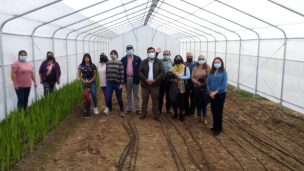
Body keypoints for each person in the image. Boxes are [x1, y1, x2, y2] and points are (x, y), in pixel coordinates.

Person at [138, 47, 165, 121]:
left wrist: (155, 80)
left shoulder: (159, 62)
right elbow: (140, 71)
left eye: (152, 52)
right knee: (144, 101)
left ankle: (156, 115)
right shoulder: (143, 62)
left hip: (155, 85)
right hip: (145, 85)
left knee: (155, 101)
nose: (151, 53)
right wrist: (145, 79)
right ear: (147, 53)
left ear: (154, 52)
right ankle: (143, 114)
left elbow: (162, 72)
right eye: (149, 52)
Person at [208, 57, 228, 136]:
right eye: (215, 62)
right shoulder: (211, 71)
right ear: (213, 63)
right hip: (212, 94)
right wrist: (209, 92)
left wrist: (215, 92)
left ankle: (218, 128)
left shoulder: (224, 72)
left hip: (220, 94)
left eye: (218, 62)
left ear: (221, 63)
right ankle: (214, 126)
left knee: (218, 111)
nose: (217, 63)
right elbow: (208, 82)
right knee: (213, 109)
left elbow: (224, 84)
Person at [121, 45, 141, 114]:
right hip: (127, 79)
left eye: (131, 49)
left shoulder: (137, 58)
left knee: (136, 94)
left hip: (135, 78)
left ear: (133, 49)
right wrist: (122, 80)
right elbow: (121, 70)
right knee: (128, 94)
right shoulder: (123, 59)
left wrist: (139, 78)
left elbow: (140, 70)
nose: (129, 50)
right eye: (128, 49)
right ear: (126, 51)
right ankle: (129, 108)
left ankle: (137, 108)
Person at [169, 55, 190, 121]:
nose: (178, 60)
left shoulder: (185, 67)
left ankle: (181, 114)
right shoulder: (172, 68)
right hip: (173, 85)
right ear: (174, 60)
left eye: (179, 59)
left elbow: (188, 76)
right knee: (173, 100)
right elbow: (169, 76)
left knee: (181, 100)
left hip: (182, 85)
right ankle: (175, 113)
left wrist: (180, 77)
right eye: (176, 59)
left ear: (181, 60)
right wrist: (172, 79)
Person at [105, 50, 125, 117]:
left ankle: (122, 110)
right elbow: (106, 72)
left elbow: (122, 73)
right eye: (111, 54)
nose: (113, 55)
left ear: (117, 55)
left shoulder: (120, 63)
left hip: (117, 83)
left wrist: (121, 83)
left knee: (119, 97)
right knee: (108, 97)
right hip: (109, 83)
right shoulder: (108, 63)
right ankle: (110, 109)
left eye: (114, 54)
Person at [192, 55, 210, 124]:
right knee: (198, 102)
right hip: (196, 87)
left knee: (204, 103)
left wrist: (203, 83)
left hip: (205, 87)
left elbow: (209, 77)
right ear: (198, 59)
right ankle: (198, 117)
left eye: (203, 59)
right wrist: (197, 82)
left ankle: (204, 118)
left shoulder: (207, 67)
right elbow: (192, 77)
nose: (201, 60)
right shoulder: (195, 68)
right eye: (200, 59)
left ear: (205, 59)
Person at [159, 50, 173, 114]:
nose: (166, 55)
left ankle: (168, 109)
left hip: (169, 81)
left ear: (170, 54)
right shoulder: (160, 61)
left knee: (169, 96)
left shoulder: (172, 62)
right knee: (160, 96)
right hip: (161, 81)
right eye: (165, 54)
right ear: (163, 55)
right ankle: (159, 109)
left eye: (167, 54)